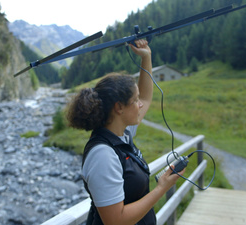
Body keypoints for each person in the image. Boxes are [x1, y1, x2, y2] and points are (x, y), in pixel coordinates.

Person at [66, 39, 184, 225]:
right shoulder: (102, 155)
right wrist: (161, 188)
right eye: (135, 101)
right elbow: (115, 221)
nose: (140, 105)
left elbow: (145, 96)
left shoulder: (122, 132)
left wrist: (146, 57)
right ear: (119, 107)